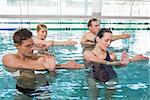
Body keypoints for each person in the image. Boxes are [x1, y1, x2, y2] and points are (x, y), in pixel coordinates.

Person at [2, 28, 84, 97]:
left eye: (32, 45)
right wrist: (59, 65)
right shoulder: (9, 58)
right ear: (17, 46)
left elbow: (51, 73)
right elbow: (26, 65)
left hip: (43, 88)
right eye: (28, 46)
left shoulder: (38, 57)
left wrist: (60, 67)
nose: (32, 48)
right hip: (22, 90)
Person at [83, 28, 149, 99]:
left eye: (110, 41)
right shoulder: (87, 53)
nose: (108, 44)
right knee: (93, 94)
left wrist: (128, 61)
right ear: (98, 39)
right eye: (106, 40)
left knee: (109, 97)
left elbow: (117, 66)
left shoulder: (111, 55)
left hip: (110, 77)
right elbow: (98, 60)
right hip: (93, 77)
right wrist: (112, 63)